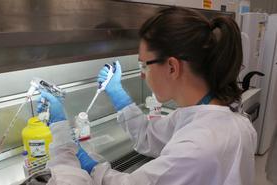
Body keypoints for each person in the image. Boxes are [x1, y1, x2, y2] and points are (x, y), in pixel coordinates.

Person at [32, 6, 257, 185]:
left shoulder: (197, 149)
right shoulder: (220, 115)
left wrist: (84, 160)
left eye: (144, 65)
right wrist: (117, 94)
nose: (142, 75)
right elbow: (149, 136)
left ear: (172, 67)